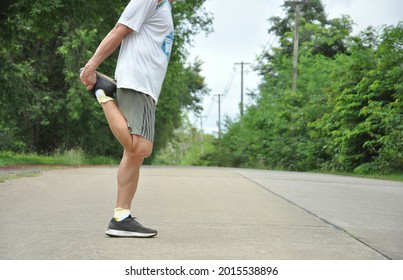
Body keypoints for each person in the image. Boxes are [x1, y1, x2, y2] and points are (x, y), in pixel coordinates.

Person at [80, 0, 174, 237]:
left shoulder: (164, 5)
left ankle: (121, 217)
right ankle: (102, 93)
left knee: (134, 156)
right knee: (140, 146)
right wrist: (91, 67)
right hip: (137, 81)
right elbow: (119, 30)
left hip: (148, 87)